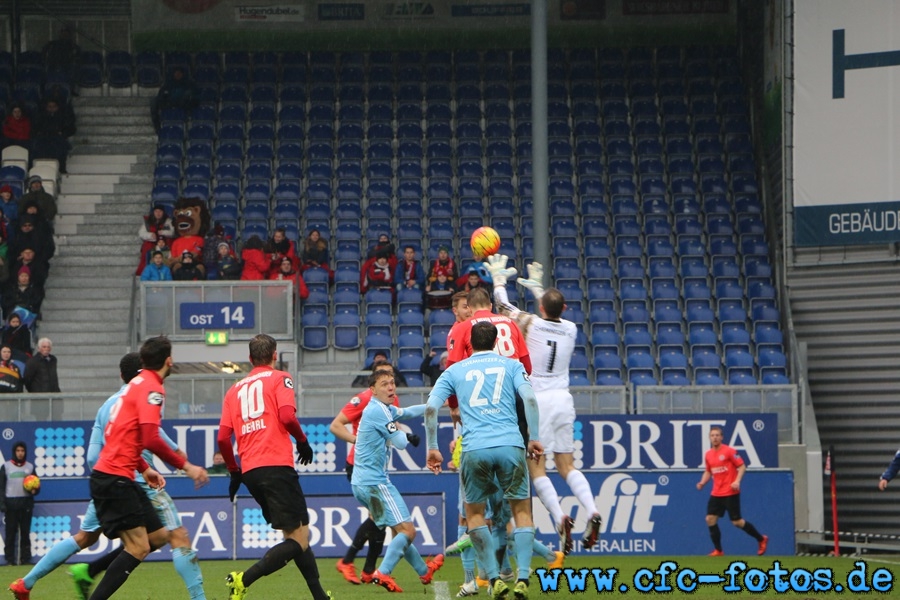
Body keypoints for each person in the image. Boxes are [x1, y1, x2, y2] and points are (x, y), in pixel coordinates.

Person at [9, 351, 209, 600]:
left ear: (120, 375)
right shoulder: (146, 395)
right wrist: (179, 462)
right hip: (131, 483)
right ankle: (199, 597)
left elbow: (93, 457)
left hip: (107, 478)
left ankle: (29, 581)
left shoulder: (107, 406)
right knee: (174, 535)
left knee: (86, 537)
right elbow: (153, 435)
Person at [486, 255, 604, 553]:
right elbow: (554, 309)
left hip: (537, 400)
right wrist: (540, 289)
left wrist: (499, 280)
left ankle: (560, 516)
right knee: (568, 465)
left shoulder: (532, 324)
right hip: (564, 399)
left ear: (540, 309)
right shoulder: (571, 329)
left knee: (537, 469)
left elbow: (504, 307)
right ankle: (591, 510)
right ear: (563, 309)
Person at [425, 322, 543, 600]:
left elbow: (431, 407)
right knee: (522, 512)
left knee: (475, 515)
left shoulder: (454, 370)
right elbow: (530, 398)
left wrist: (432, 447)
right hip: (510, 445)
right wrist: (534, 437)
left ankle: (492, 578)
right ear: (495, 341)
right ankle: (522, 576)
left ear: (469, 343)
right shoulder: (511, 365)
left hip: (475, 447)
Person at [86, 337, 208, 599]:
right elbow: (151, 437)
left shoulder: (132, 386)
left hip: (119, 474)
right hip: (114, 477)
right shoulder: (153, 389)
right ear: (169, 361)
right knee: (139, 547)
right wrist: (187, 467)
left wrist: (143, 467)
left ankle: (92, 570)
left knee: (159, 536)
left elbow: (122, 434)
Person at [216, 334, 331, 600]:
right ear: (274, 355)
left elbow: (223, 438)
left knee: (296, 534)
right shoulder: (280, 378)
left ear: (249, 358)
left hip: (251, 471)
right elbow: (287, 416)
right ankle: (243, 579)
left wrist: (234, 471)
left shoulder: (233, 390)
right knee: (299, 539)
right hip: (276, 465)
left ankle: (320, 597)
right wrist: (302, 441)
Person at [351, 370, 442, 592]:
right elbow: (400, 443)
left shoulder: (381, 408)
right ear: (372, 390)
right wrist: (406, 436)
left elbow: (408, 412)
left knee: (398, 529)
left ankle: (423, 571)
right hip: (375, 483)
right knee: (408, 531)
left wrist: (434, 406)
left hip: (362, 482)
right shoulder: (378, 411)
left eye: (392, 383)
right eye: (384, 384)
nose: (391, 387)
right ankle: (383, 572)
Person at [329, 362, 399, 585]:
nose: (389, 383)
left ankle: (368, 570)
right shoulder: (363, 399)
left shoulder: (392, 400)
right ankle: (349, 562)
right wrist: (357, 441)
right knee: (380, 517)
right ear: (374, 382)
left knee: (380, 519)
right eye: (383, 378)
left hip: (377, 467)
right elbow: (336, 425)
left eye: (391, 378)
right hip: (359, 466)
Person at [696, 425, 768, 556]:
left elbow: (742, 466)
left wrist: (737, 481)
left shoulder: (729, 451)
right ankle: (718, 550)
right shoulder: (708, 454)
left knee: (737, 522)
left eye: (717, 435)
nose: (715, 438)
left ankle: (761, 539)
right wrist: (702, 482)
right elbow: (708, 471)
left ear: (722, 437)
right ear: (709, 438)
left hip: (730, 492)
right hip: (716, 493)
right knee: (710, 519)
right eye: (712, 435)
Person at [0, 441, 37, 566]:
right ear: (14, 452)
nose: (20, 453)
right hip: (11, 503)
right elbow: (1, 487)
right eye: (18, 451)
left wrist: (35, 490)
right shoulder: (6, 467)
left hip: (26, 503)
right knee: (10, 532)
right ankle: (10, 559)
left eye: (22, 451)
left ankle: (25, 559)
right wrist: (2, 504)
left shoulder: (30, 467)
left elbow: (36, 486)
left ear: (25, 452)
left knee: (25, 533)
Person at [31, 97, 76, 174]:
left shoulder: (63, 117)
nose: (51, 109)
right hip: (44, 139)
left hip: (57, 140)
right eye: (49, 107)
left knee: (61, 149)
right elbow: (34, 128)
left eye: (54, 106)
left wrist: (63, 134)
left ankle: (61, 169)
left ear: (57, 107)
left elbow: (71, 129)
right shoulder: (41, 117)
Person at [151, 67, 198, 132]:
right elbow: (162, 93)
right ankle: (158, 129)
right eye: (176, 73)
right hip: (169, 103)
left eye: (179, 73)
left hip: (183, 104)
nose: (177, 75)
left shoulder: (188, 83)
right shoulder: (169, 83)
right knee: (154, 102)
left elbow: (194, 96)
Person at [137, 204, 175, 275]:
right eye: (156, 211)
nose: (158, 213)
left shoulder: (168, 221)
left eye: (160, 211)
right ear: (153, 212)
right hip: (152, 243)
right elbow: (141, 233)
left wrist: (163, 232)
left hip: (165, 244)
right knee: (147, 248)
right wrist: (150, 235)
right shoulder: (147, 222)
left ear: (163, 212)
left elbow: (172, 232)